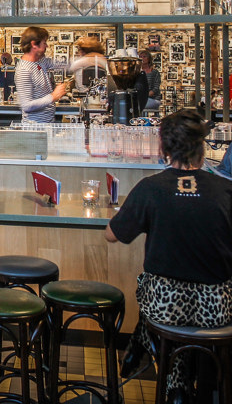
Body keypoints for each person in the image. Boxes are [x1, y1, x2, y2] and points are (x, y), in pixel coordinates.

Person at [106, 110, 232, 403]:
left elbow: (112, 235)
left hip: (166, 305)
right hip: (218, 309)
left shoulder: (150, 188)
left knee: (148, 287)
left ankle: (174, 381)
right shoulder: (225, 190)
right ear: (202, 149)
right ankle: (201, 384)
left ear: (162, 149)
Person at [14, 26, 68, 123]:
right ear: (34, 44)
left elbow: (63, 64)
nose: (46, 46)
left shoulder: (40, 62)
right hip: (35, 128)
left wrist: (88, 60)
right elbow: (26, 105)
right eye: (44, 43)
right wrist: (53, 96)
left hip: (47, 124)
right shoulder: (24, 70)